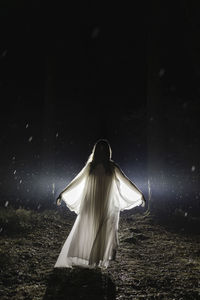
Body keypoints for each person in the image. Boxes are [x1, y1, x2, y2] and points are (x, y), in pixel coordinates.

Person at [54, 139, 145, 269]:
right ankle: (88, 257)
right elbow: (77, 180)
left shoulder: (112, 167)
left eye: (104, 148)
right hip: (91, 203)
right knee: (90, 228)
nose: (102, 151)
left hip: (107, 204)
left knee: (103, 230)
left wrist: (139, 193)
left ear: (107, 151)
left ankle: (96, 259)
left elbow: (126, 181)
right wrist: (63, 192)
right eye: (100, 148)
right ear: (96, 151)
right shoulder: (90, 167)